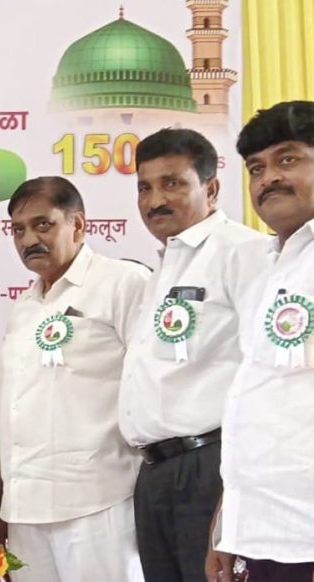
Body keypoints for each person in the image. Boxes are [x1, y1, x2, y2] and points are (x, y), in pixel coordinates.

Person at [118, 128, 265, 582]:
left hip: (210, 470)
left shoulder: (245, 253)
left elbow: (262, 377)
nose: (155, 200)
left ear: (211, 188)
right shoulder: (163, 268)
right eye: (145, 187)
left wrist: (233, 493)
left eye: (172, 184)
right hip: (154, 474)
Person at [0, 177, 148, 582]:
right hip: (25, 510)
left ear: (77, 225)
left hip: (97, 501)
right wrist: (3, 501)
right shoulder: (25, 306)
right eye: (18, 230)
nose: (29, 240)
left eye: (43, 225)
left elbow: (152, 384)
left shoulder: (122, 282)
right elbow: (15, 408)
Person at [205, 100, 314, 582]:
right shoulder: (267, 271)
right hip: (263, 532)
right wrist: (227, 526)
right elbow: (253, 408)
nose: (269, 178)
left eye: (287, 159)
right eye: (256, 168)